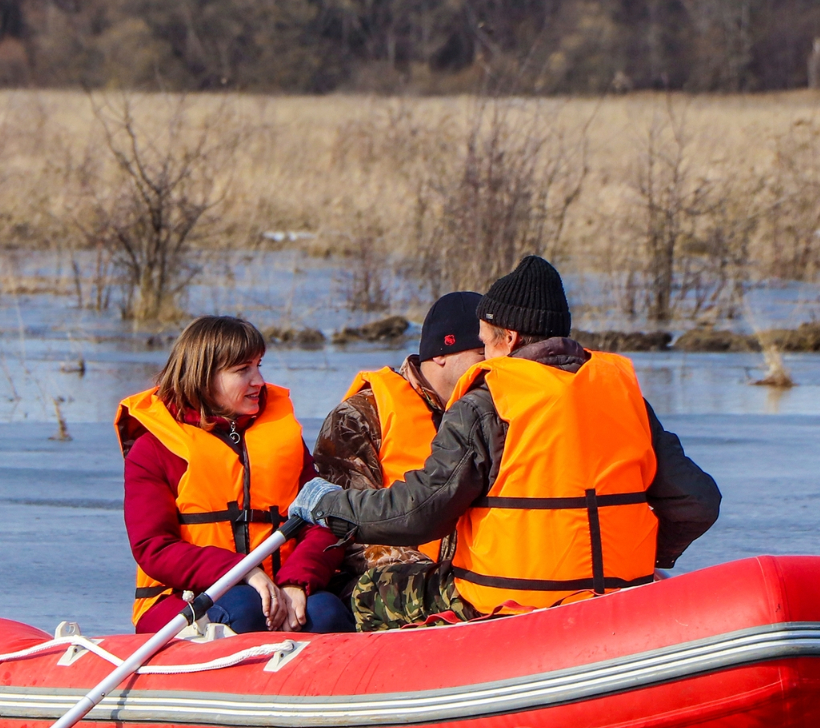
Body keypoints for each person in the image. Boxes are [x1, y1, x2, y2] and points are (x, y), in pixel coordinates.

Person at [289, 255, 720, 632]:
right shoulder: (625, 398)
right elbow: (698, 502)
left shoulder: (487, 402)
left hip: (509, 602)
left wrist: (328, 505)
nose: (484, 354)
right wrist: (638, 554)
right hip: (616, 590)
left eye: (484, 340)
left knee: (370, 590)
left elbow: (420, 514)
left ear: (508, 339)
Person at [117, 315, 352, 635]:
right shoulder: (153, 449)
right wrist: (245, 572)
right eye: (243, 370)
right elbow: (154, 548)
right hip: (182, 599)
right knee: (244, 607)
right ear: (202, 377)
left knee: (325, 612)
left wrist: (298, 582)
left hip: (278, 587)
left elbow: (323, 519)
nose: (259, 381)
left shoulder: (283, 439)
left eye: (258, 366)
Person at [311, 291, 485, 593]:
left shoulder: (493, 413)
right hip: (390, 586)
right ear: (442, 354)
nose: (492, 367)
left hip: (476, 580)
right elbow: (347, 532)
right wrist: (438, 585)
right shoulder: (359, 417)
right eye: (482, 354)